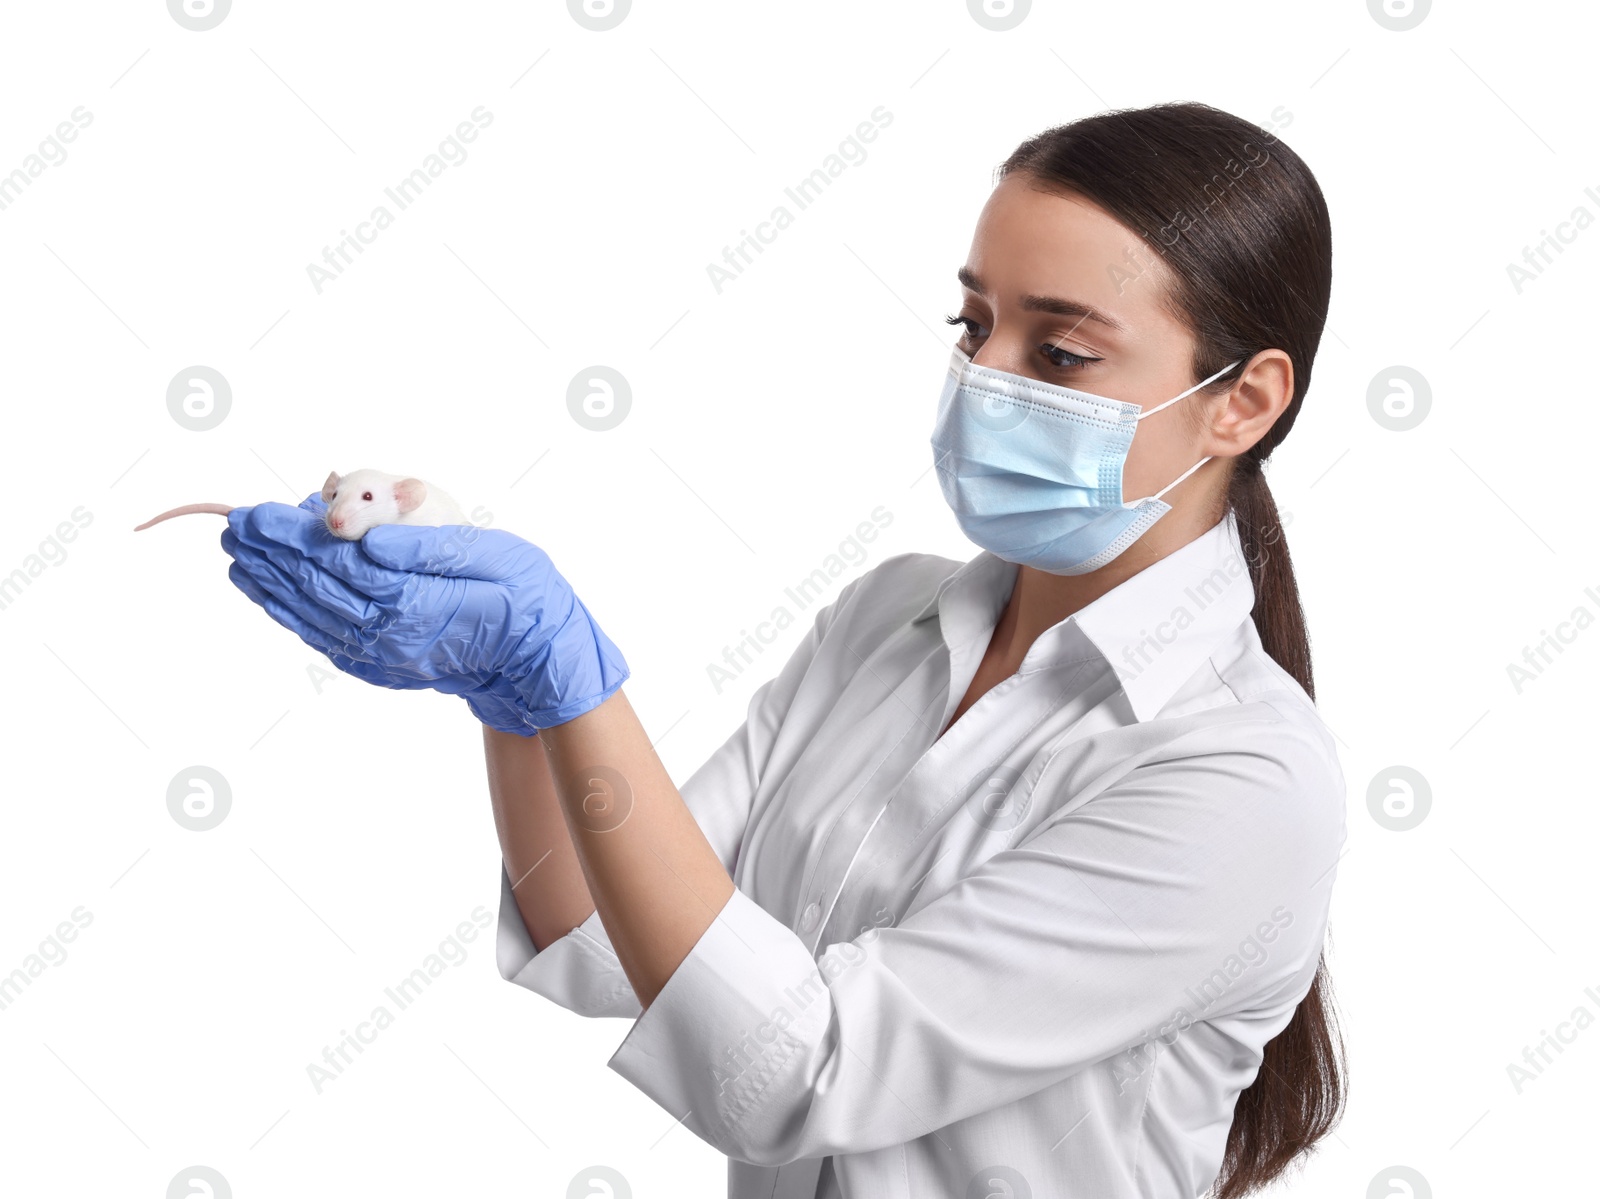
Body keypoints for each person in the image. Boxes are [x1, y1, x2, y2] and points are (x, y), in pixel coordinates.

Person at [222, 100, 1348, 1199]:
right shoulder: (889, 622)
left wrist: (574, 686)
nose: (983, 378)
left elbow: (799, 1072)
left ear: (1241, 402)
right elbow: (600, 933)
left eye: (1057, 353)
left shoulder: (1242, 775)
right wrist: (517, 702)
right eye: (973, 325)